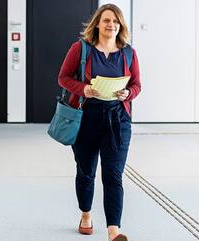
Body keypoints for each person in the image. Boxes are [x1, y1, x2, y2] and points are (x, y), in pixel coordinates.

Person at [57, 4, 141, 241]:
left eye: (115, 21)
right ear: (97, 24)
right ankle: (86, 214)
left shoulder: (128, 53)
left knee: (113, 175)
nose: (111, 25)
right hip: (86, 119)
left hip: (118, 121)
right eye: (106, 20)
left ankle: (113, 231)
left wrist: (128, 94)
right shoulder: (80, 49)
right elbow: (63, 78)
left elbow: (136, 85)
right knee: (86, 172)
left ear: (121, 25)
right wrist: (84, 88)